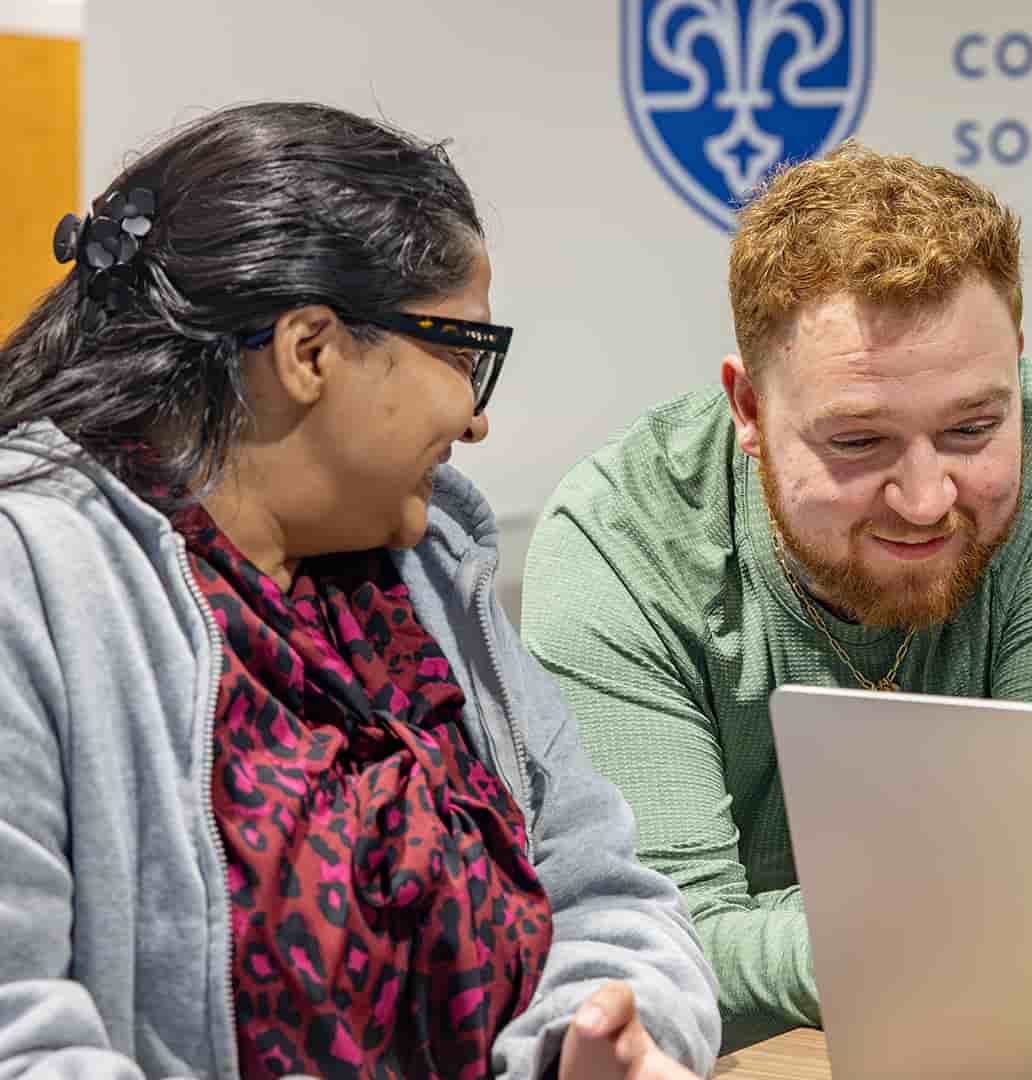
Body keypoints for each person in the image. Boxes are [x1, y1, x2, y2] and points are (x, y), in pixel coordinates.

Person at [0, 102, 720, 1079]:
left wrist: (594, 1045)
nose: (474, 418)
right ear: (310, 350)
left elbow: (616, 901)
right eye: (463, 356)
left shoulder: (427, 572)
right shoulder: (31, 582)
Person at [521, 143, 1032, 1046]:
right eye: (859, 443)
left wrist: (812, 936)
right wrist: (967, 924)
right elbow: (656, 948)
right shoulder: (621, 534)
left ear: (1018, 368)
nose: (926, 497)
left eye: (974, 427)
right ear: (747, 408)